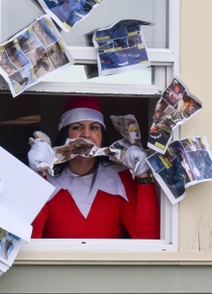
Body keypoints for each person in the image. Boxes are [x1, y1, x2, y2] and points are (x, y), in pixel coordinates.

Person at [28, 96, 160, 239]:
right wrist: (37, 176)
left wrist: (143, 175)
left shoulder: (120, 177)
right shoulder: (49, 179)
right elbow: (31, 240)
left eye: (94, 128)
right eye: (77, 127)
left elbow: (148, 237)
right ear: (65, 134)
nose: (86, 134)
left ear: (101, 136)